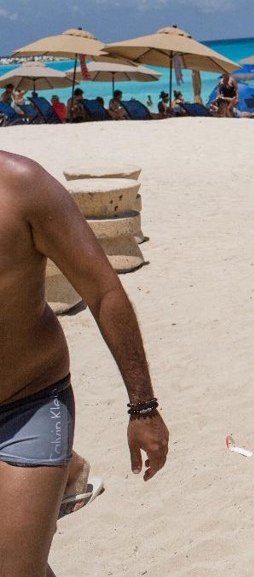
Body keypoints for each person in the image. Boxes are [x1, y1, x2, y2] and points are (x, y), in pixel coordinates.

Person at [0, 151, 169, 576]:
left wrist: (143, 407)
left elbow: (104, 292)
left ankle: (56, 469)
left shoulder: (22, 187)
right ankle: (67, 469)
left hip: (27, 405)